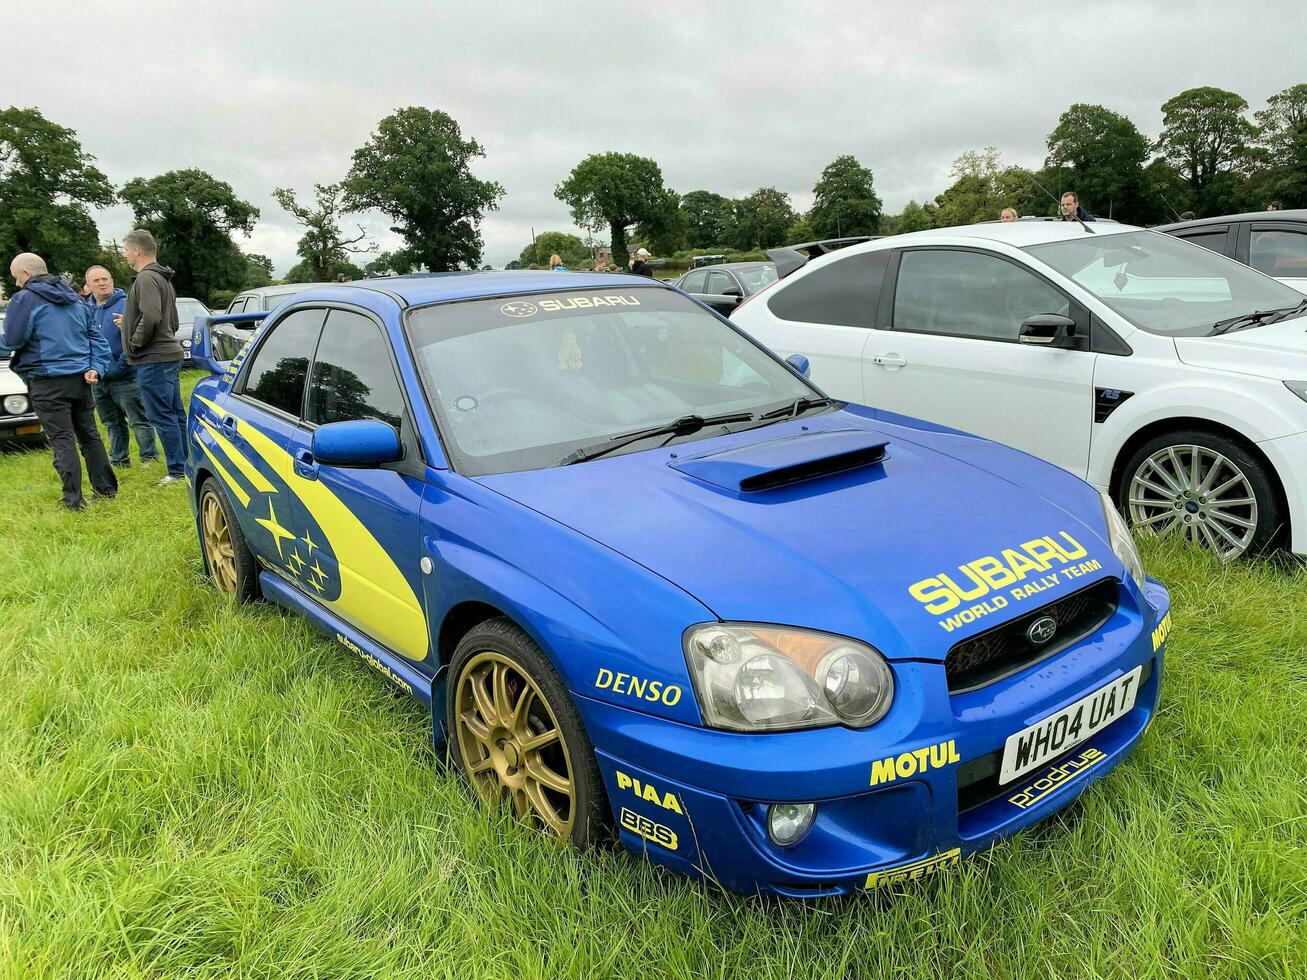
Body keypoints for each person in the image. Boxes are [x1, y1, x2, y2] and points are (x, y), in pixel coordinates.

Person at [3, 252, 117, 509]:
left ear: (25, 274)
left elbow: (12, 341)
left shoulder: (24, 300)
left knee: (62, 439)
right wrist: (96, 368)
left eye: (16, 279)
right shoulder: (75, 299)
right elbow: (96, 340)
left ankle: (73, 500)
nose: (17, 285)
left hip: (47, 381)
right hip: (80, 379)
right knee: (89, 435)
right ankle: (106, 490)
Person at [116, 228, 186, 487]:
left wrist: (134, 343)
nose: (125, 257)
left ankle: (177, 472)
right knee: (176, 413)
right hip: (168, 355)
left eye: (125, 251)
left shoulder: (145, 279)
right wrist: (130, 323)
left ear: (136, 250)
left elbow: (153, 316)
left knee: (162, 415)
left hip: (153, 359)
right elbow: (173, 321)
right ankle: (186, 464)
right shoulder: (163, 279)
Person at [85, 265, 158, 468]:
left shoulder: (127, 305)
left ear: (112, 281)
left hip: (126, 376)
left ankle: (149, 459)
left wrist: (122, 364)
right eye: (97, 281)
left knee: (138, 420)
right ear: (88, 285)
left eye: (105, 279)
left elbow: (141, 337)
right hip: (98, 380)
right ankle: (119, 461)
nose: (102, 283)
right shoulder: (85, 310)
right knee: (111, 423)